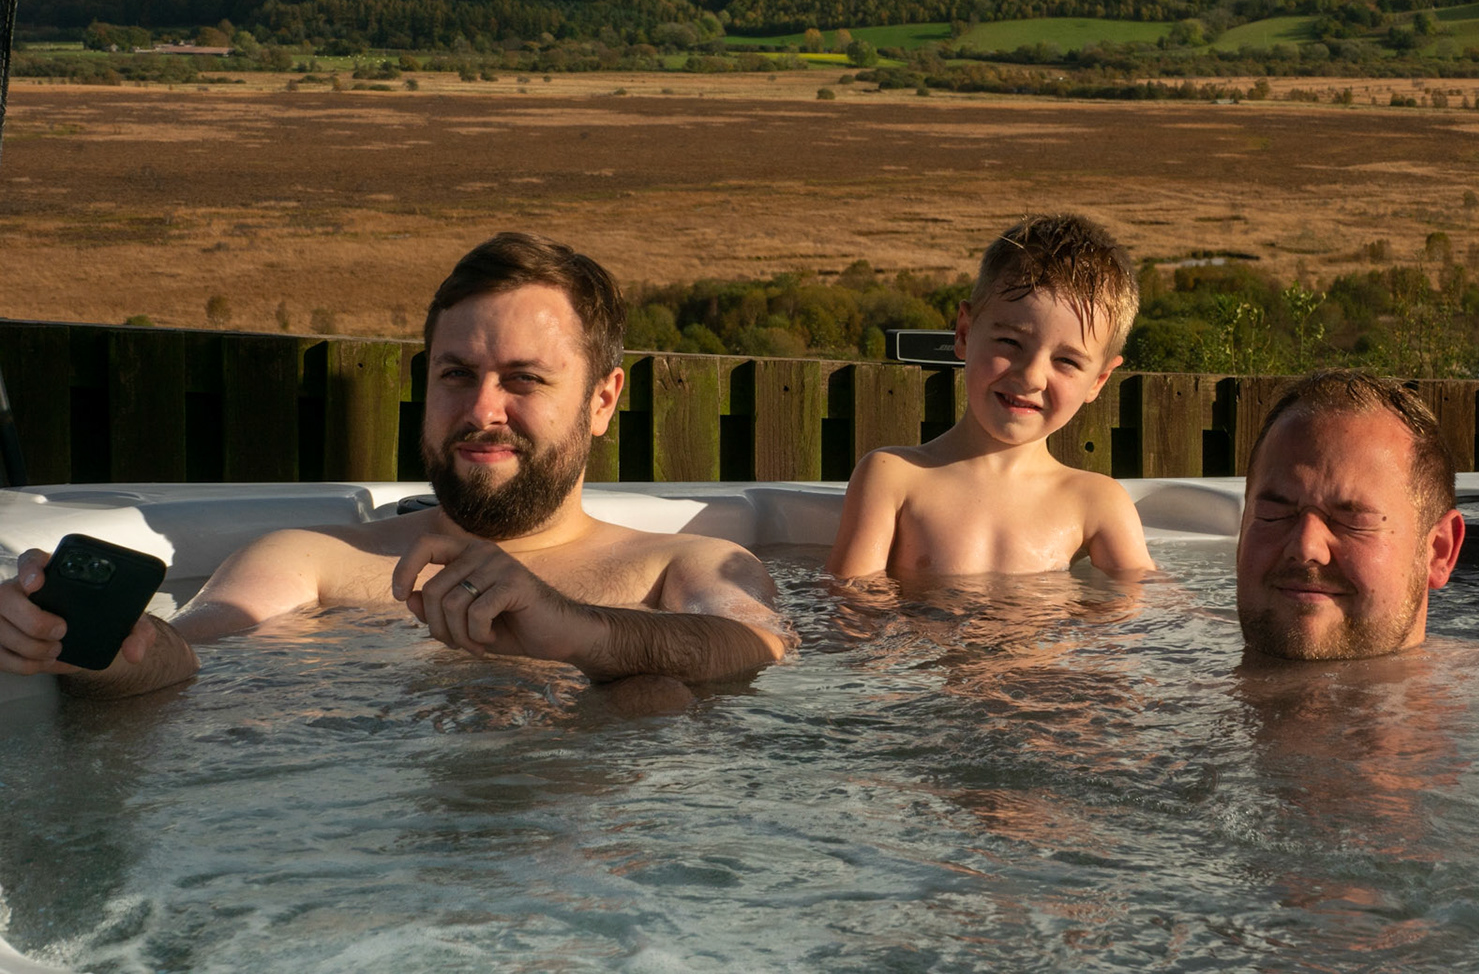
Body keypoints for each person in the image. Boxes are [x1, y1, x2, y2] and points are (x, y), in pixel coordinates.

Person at [0, 232, 793, 702]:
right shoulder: (310, 560)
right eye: (456, 375)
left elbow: (756, 646)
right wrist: (88, 640)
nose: (482, 410)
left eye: (524, 379)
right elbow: (195, 660)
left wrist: (574, 631)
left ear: (602, 399)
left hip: (596, 880)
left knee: (651, 701)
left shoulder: (681, 563)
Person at [828, 213, 1155, 579]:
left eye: (1066, 360)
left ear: (1099, 380)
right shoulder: (895, 478)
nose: (1031, 376)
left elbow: (1146, 610)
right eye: (1010, 343)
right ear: (964, 333)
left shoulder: (1097, 502)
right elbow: (851, 607)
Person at [1237, 368, 1466, 660]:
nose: (1306, 546)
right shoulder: (1175, 678)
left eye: (1353, 521)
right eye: (1273, 514)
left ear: (1438, 552)